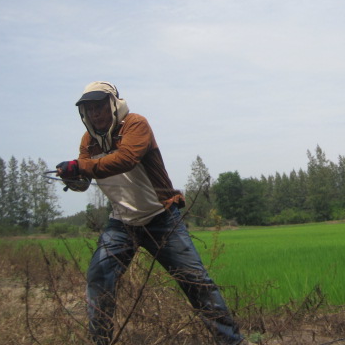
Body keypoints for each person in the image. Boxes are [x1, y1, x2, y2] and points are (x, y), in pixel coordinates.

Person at [56, 81, 246, 345]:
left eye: (99, 107)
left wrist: (81, 166)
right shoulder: (88, 141)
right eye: (89, 110)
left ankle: (232, 342)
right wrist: (72, 176)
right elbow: (84, 181)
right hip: (121, 223)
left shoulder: (135, 125)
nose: (95, 114)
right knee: (99, 277)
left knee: (196, 283)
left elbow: (126, 159)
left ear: (113, 105)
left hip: (161, 218)